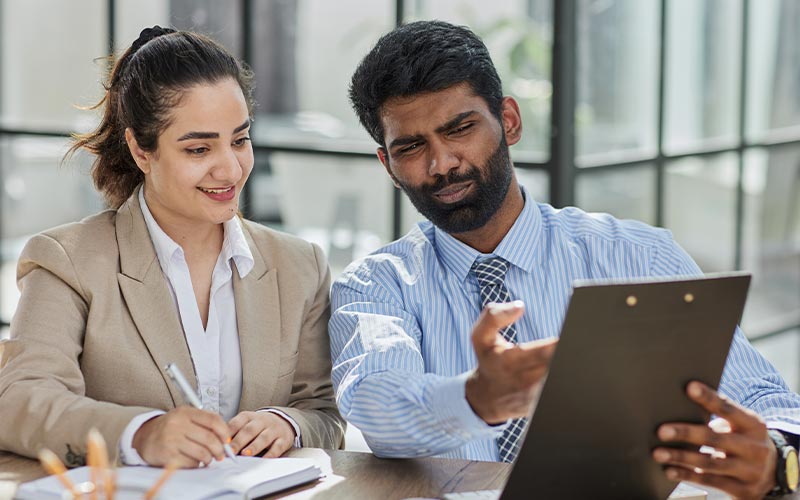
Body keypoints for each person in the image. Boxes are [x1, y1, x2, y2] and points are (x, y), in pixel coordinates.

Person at [329, 20, 800, 498]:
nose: (443, 163)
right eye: (411, 147)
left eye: (461, 128)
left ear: (509, 121)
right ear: (388, 165)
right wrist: (478, 400)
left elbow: (767, 399)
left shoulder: (637, 256)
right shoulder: (375, 284)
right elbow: (376, 404)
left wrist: (776, 457)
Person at [0, 26, 345, 469]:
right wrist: (141, 434)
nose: (230, 168)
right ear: (141, 151)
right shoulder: (68, 261)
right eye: (199, 148)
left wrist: (287, 423)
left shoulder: (300, 265)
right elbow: (19, 401)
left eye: (240, 140)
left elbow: (324, 411)